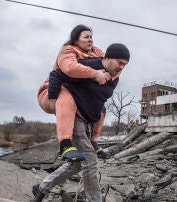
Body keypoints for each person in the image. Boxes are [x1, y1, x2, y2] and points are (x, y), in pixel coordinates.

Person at [33, 43, 130, 202]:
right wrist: (54, 101)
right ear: (107, 57)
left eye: (125, 65)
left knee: (77, 164)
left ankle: (42, 187)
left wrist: (94, 137)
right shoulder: (89, 66)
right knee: (90, 159)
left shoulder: (114, 78)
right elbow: (57, 74)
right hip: (73, 115)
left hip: (87, 120)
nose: (122, 67)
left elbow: (100, 102)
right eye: (120, 62)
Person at [38, 24, 111, 162]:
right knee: (65, 95)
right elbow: (69, 68)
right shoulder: (67, 50)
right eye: (86, 37)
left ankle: (94, 142)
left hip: (77, 95)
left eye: (91, 37)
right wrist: (95, 73)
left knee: (101, 108)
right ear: (76, 40)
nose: (90, 40)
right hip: (52, 92)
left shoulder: (95, 51)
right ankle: (65, 145)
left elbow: (109, 61)